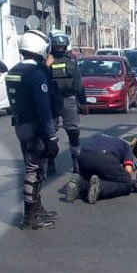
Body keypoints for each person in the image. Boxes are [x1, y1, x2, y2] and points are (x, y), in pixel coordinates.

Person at [5, 30, 59, 230]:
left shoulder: (14, 71)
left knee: (36, 167)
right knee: (34, 169)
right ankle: (30, 216)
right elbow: (44, 109)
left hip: (21, 124)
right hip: (36, 128)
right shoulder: (36, 75)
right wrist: (51, 136)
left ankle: (38, 208)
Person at [65, 134, 137, 204]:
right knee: (126, 184)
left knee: (91, 178)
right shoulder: (126, 146)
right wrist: (128, 178)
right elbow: (128, 170)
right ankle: (101, 188)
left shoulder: (101, 138)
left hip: (83, 156)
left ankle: (81, 184)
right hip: (104, 156)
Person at [47, 33, 85, 176]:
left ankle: (76, 161)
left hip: (69, 99)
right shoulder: (47, 61)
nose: (60, 48)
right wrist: (46, 65)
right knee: (50, 134)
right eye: (57, 46)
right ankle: (50, 161)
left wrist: (83, 102)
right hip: (52, 100)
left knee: (73, 132)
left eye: (62, 46)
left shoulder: (71, 62)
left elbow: (79, 83)